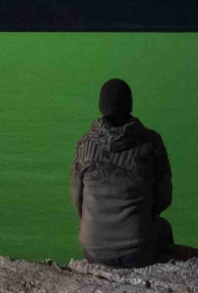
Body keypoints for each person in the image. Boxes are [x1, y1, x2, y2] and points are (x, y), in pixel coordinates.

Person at [71, 77, 174, 267]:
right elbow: (164, 198)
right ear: (130, 104)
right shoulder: (150, 144)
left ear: (101, 106)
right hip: (137, 251)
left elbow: (77, 201)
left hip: (94, 251)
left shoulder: (85, 146)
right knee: (164, 228)